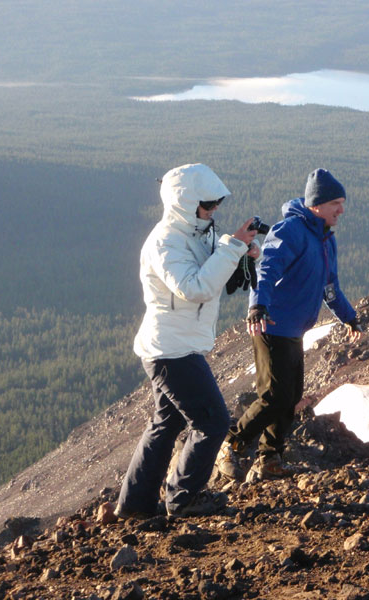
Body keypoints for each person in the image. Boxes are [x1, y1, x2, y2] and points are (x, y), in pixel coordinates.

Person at [115, 163, 260, 518]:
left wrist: (241, 254)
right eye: (206, 205)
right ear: (184, 202)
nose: (212, 211)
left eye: (215, 205)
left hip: (175, 344)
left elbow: (211, 276)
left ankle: (134, 505)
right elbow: (194, 288)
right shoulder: (165, 241)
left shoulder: (199, 233)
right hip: (171, 349)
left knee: (168, 422)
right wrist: (232, 248)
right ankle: (183, 499)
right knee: (211, 421)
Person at [216, 168, 363, 481]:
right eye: (336, 202)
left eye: (342, 202)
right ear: (316, 204)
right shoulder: (292, 230)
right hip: (271, 325)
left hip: (294, 330)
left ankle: (270, 458)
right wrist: (257, 305)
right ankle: (232, 445)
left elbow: (330, 286)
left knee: (291, 396)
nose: (341, 209)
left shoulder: (325, 240)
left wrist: (348, 316)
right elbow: (266, 268)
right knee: (276, 395)